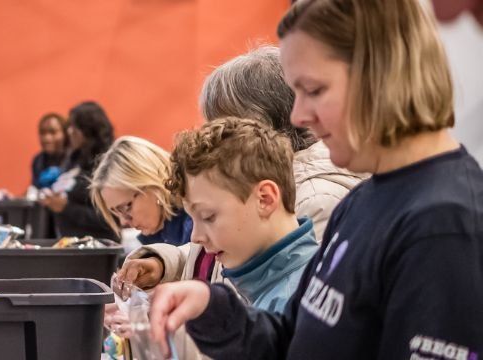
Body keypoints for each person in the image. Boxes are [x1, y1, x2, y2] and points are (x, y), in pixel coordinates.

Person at [150, 1, 483, 358]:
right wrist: (212, 309)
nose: (298, 116)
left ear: (380, 77)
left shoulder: (443, 223)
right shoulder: (366, 198)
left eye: (315, 90)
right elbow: (294, 339)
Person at [110, 119, 319, 359]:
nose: (196, 237)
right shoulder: (258, 281)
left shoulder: (299, 300)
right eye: (193, 219)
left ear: (265, 199)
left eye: (208, 217)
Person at [200, 45, 364, 239]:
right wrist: (166, 260)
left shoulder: (315, 199)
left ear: (266, 122)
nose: (215, 140)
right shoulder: (257, 179)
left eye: (226, 127)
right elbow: (210, 253)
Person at [90, 136, 191, 246]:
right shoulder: (156, 234)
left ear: (153, 184)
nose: (123, 221)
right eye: (115, 212)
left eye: (126, 207)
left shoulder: (195, 223)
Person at [39, 101, 119, 241]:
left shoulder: (107, 164)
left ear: (88, 131)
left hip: (98, 248)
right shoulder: (74, 159)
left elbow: (111, 220)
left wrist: (67, 208)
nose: (69, 131)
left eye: (74, 127)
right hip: (70, 244)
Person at [31, 112, 68, 189]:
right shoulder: (38, 160)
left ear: (65, 133)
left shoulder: (74, 159)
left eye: (53, 132)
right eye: (42, 133)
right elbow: (35, 189)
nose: (47, 138)